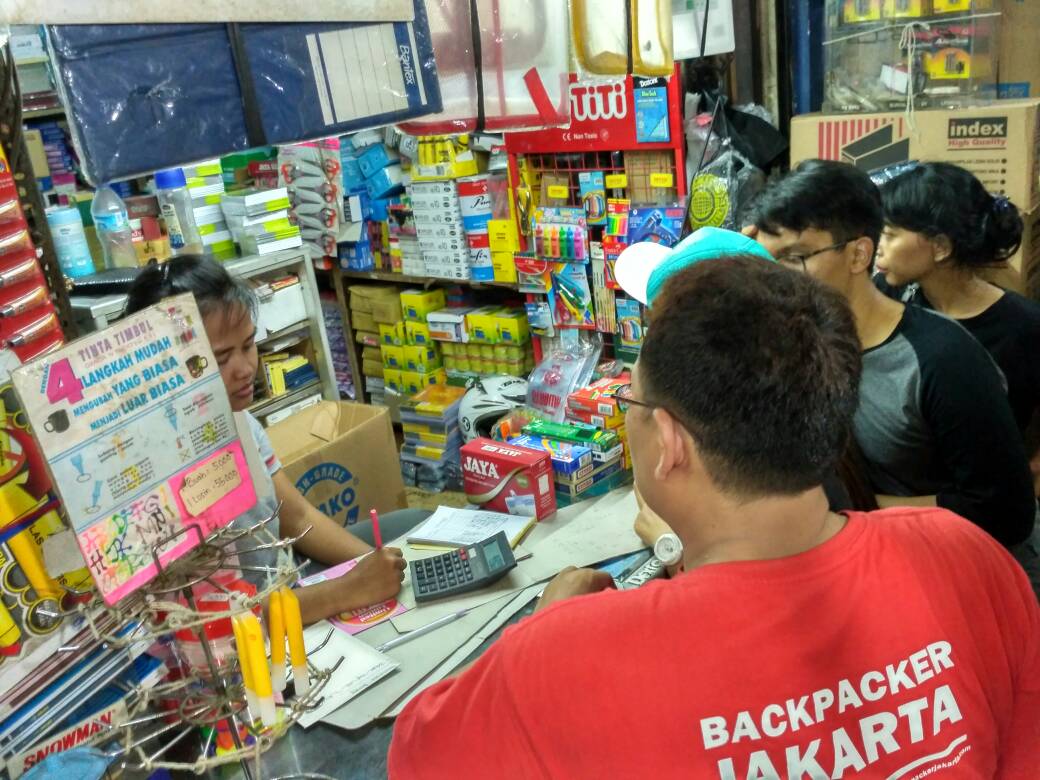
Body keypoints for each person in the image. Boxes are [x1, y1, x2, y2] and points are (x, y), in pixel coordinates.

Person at [389, 249, 1040, 777]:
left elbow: (418, 753)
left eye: (631, 405)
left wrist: (544, 626)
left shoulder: (558, 657)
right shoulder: (962, 552)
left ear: (670, 442)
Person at [742, 160, 1038, 566]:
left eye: (795, 257)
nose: (774, 277)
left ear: (859, 254)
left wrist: (851, 509)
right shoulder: (793, 345)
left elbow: (1005, 511)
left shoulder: (942, 359)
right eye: (766, 259)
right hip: (852, 559)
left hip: (947, 568)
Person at [124, 255, 415, 625]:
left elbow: (297, 517)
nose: (246, 369)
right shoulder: (150, 478)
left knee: (415, 524)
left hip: (287, 584)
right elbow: (212, 624)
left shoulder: (238, 421)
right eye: (221, 359)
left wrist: (374, 568)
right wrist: (350, 588)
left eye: (248, 345)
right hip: (249, 631)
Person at [874, 162, 1040, 488]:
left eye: (890, 235)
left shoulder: (1024, 325)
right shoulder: (890, 295)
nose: (878, 245)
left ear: (941, 247)